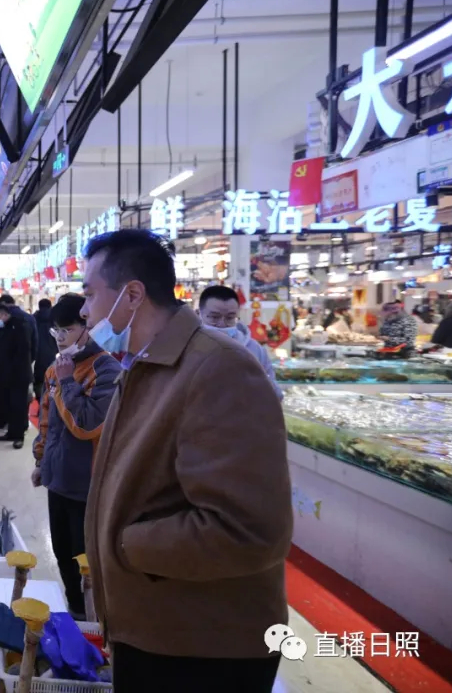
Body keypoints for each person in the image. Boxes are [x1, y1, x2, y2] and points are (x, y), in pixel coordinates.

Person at [79, 229, 292, 691]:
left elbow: (249, 529)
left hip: (202, 649)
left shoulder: (220, 369)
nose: (84, 310)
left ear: (132, 295)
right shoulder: (149, 364)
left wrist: (125, 547)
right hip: (155, 625)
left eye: (90, 293)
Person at [31, 294, 120, 618]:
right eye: (56, 331)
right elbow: (46, 421)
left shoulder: (106, 370)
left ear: (87, 327)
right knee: (63, 553)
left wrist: (68, 381)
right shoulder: (55, 369)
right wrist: (41, 460)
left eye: (67, 330)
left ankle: (94, 621)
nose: (60, 338)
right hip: (58, 479)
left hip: (88, 484)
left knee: (87, 560)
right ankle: (75, 611)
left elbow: (88, 425)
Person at [198, 285, 282, 398]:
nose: (222, 324)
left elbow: (275, 395)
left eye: (230, 318)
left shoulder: (254, 349)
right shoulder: (187, 347)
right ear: (199, 314)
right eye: (214, 317)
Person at [0, 302, 33, 449]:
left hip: (18, 374)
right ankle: (11, 433)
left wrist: (14, 369)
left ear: (4, 314)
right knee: (9, 405)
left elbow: (24, 351)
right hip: (6, 374)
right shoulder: (6, 327)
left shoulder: (20, 326)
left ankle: (19, 436)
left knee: (19, 406)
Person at [32, 298, 57, 401]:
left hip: (37, 355)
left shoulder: (33, 319)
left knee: (38, 380)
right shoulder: (55, 319)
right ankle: (50, 402)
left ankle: (41, 402)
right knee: (52, 380)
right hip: (52, 355)